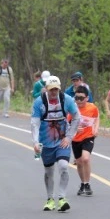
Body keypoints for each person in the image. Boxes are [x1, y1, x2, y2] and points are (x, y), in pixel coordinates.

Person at [31, 76, 80, 212]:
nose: (54, 92)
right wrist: (35, 142)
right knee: (49, 171)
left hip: (62, 141)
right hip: (45, 143)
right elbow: (34, 123)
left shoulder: (66, 100)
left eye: (56, 89)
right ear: (46, 89)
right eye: (51, 90)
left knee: (64, 166)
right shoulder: (39, 102)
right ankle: (50, 199)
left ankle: (62, 198)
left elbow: (77, 117)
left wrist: (69, 137)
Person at [70, 86, 99, 196]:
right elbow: (67, 123)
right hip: (76, 138)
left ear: (87, 98)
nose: (78, 101)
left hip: (88, 137)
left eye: (81, 98)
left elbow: (96, 118)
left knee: (85, 158)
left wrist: (96, 129)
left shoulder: (92, 108)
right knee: (79, 162)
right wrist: (75, 128)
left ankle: (87, 183)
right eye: (76, 98)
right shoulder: (72, 109)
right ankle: (83, 183)